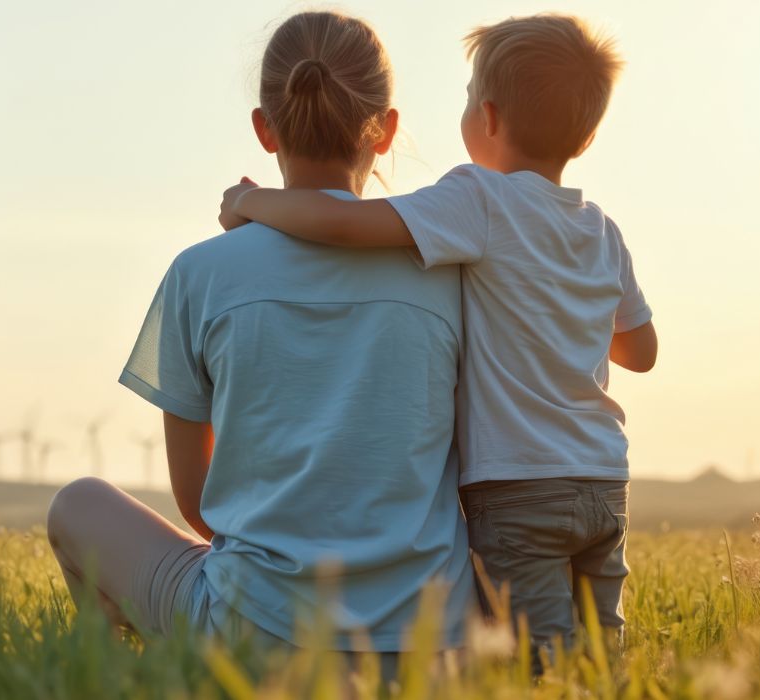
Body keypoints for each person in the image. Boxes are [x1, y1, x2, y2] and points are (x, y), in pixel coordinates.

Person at [215, 14, 657, 664]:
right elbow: (641, 352)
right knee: (601, 650)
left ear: (488, 118)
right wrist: (569, 318)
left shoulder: (476, 199)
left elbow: (343, 224)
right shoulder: (601, 231)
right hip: (604, 481)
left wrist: (252, 206)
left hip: (518, 487)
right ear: (587, 138)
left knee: (542, 661)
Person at [46, 10, 473, 665]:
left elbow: (198, 503)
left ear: (263, 127)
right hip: (428, 650)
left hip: (256, 639)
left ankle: (119, 676)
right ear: (385, 131)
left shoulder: (199, 273)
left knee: (77, 506)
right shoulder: (448, 274)